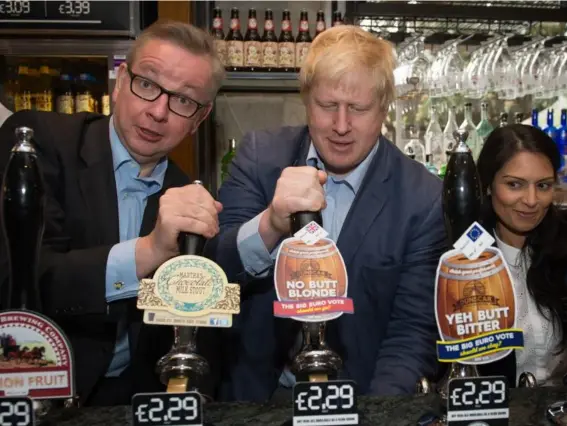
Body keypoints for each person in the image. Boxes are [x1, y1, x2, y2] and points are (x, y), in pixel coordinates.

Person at [207, 25, 448, 402]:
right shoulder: (259, 157)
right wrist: (271, 224)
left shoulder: (422, 198)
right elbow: (214, 273)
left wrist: (376, 415)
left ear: (384, 108)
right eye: (326, 105)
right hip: (255, 399)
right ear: (305, 100)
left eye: (358, 109)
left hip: (361, 399)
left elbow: (412, 332)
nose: (340, 126)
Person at [0, 21, 225, 406]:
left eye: (183, 101)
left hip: (132, 397)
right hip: (37, 387)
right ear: (120, 82)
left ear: (198, 120)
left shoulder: (187, 196)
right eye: (148, 84)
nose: (158, 111)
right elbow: (23, 277)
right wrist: (149, 250)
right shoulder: (39, 142)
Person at [475, 124, 567, 387]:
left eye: (543, 185)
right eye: (514, 184)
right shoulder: (464, 258)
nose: (530, 200)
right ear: (489, 185)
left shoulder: (562, 244)